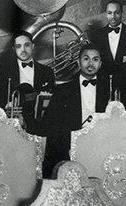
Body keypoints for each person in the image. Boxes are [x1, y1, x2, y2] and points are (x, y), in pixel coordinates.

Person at [40, 43, 110, 178]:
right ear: (78, 62)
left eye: (95, 59)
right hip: (70, 149)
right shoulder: (62, 91)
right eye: (86, 59)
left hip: (100, 148)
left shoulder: (109, 89)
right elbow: (50, 125)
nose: (90, 63)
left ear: (100, 64)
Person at [4, 30, 55, 133]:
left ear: (33, 46)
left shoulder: (47, 72)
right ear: (14, 49)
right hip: (14, 125)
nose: (23, 50)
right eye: (18, 46)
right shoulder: (5, 72)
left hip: (40, 124)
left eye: (27, 45)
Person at [91, 0, 126, 77]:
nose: (113, 17)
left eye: (117, 13)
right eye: (109, 13)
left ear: (122, 13)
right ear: (106, 14)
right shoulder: (97, 35)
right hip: (104, 81)